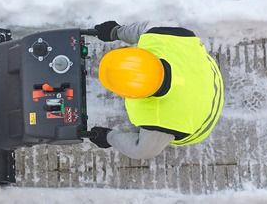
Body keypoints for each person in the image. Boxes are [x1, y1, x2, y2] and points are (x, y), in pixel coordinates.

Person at [88, 20, 224, 159]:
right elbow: (143, 27)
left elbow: (142, 152)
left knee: (156, 140)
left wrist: (109, 137)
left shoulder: (162, 123)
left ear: (131, 95)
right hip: (207, 76)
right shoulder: (164, 37)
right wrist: (116, 32)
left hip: (204, 121)